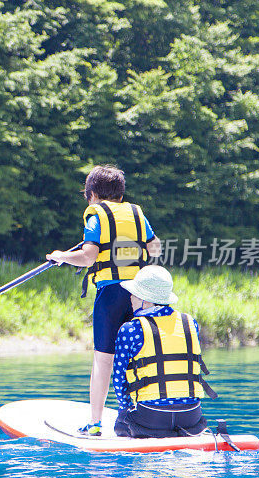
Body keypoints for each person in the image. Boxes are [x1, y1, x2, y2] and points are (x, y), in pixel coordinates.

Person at [46, 165, 161, 436]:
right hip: (140, 296)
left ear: (92, 194)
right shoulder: (137, 213)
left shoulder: (96, 215)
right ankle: (144, 415)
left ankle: (96, 423)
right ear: (121, 194)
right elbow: (154, 248)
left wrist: (61, 256)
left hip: (111, 295)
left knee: (103, 359)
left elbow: (87, 258)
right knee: (141, 355)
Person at [113, 265, 217, 438]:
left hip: (151, 417)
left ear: (146, 300)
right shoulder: (191, 323)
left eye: (135, 294)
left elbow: (118, 379)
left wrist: (124, 412)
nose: (130, 297)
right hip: (191, 417)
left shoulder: (130, 329)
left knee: (120, 425)